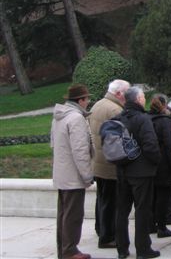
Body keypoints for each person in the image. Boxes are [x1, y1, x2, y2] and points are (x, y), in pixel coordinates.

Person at [114, 86, 161, 259]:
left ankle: (122, 248)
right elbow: (150, 145)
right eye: (142, 97)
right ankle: (143, 249)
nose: (144, 100)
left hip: (121, 170)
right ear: (138, 100)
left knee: (122, 211)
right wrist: (156, 161)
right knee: (142, 210)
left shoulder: (118, 118)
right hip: (141, 172)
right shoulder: (142, 119)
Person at [51, 84, 94, 259]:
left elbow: (54, 144)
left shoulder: (59, 117)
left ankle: (64, 249)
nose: (88, 102)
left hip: (62, 173)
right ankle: (70, 250)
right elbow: (80, 150)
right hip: (73, 175)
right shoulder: (76, 118)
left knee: (63, 213)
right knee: (73, 214)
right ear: (81, 100)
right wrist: (87, 175)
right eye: (87, 99)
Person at [88, 79, 129, 249]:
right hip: (110, 164)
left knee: (103, 200)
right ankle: (107, 236)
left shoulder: (98, 104)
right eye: (126, 93)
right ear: (119, 93)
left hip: (98, 162)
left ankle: (101, 230)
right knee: (112, 203)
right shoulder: (114, 109)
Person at [149, 94, 171, 238]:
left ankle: (151, 225)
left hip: (150, 165)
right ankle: (162, 226)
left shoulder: (147, 120)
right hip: (164, 167)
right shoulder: (166, 122)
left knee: (152, 197)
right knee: (163, 198)